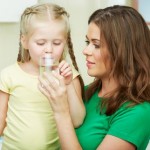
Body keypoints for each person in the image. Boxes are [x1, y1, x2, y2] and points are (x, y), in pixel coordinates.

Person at [38, 5, 150, 150]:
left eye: (96, 45)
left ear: (122, 51)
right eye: (87, 42)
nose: (85, 51)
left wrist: (61, 113)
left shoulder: (138, 112)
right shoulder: (84, 94)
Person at [0, 3, 85, 150]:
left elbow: (77, 121)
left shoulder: (68, 75)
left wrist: (68, 83)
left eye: (57, 43)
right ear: (24, 41)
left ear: (64, 42)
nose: (49, 50)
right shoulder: (9, 75)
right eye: (40, 43)